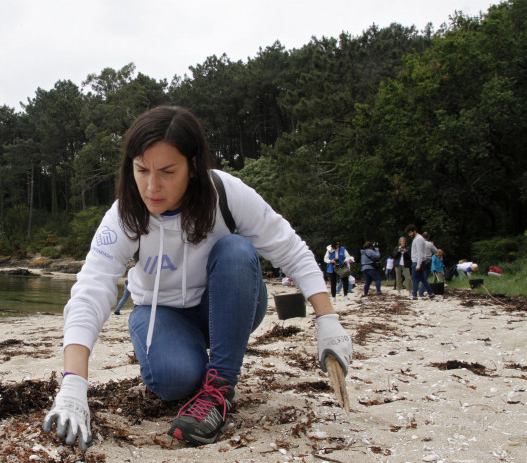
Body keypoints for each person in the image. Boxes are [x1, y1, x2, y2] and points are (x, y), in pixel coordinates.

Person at [42, 106, 353, 449]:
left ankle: (219, 387)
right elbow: (91, 289)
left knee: (236, 250)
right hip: (162, 311)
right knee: (173, 380)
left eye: (167, 171)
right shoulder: (124, 214)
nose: (151, 186)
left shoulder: (225, 193)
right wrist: (73, 384)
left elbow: (290, 248)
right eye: (141, 170)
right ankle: (195, 364)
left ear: (192, 166)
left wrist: (328, 320)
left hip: (225, 304)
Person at [405, 224, 435, 300]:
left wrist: (418, 264)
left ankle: (414, 294)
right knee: (422, 278)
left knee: (414, 278)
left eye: (410, 233)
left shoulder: (418, 239)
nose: (409, 235)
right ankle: (430, 292)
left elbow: (420, 253)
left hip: (417, 261)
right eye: (409, 233)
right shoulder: (418, 238)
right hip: (419, 261)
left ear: (414, 231)